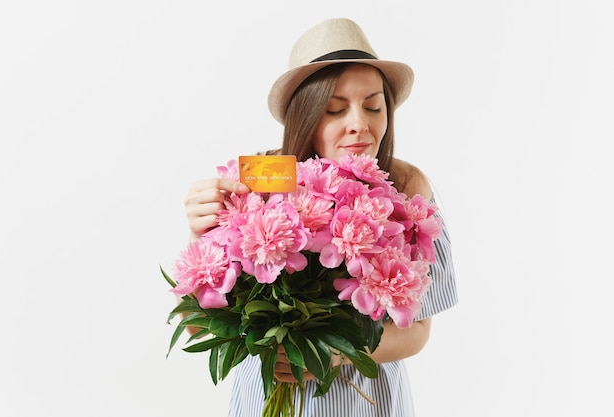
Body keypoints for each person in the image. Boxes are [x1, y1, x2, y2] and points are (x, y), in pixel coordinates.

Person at [183, 18, 458, 417]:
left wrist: (332, 353)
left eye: (373, 105)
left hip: (368, 403)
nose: (359, 124)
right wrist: (200, 234)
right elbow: (197, 327)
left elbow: (416, 332)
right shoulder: (258, 186)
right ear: (307, 115)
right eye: (334, 108)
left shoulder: (408, 191)